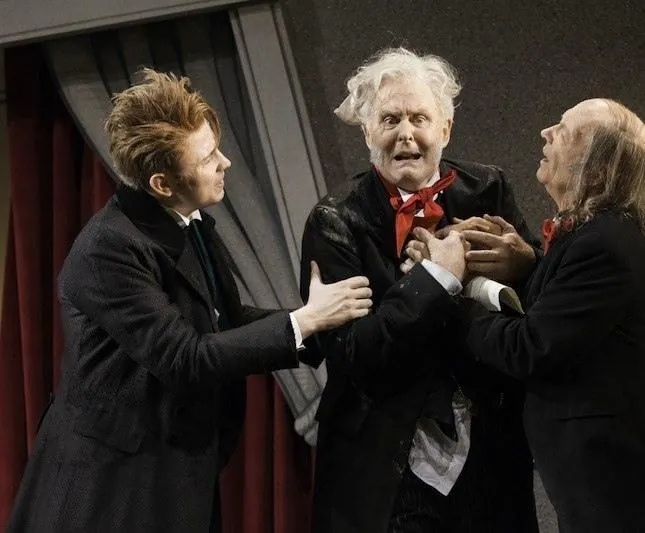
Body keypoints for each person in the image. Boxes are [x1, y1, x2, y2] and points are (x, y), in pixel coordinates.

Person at [6, 69, 373, 533]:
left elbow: (224, 320)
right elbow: (186, 357)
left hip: (170, 467)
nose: (225, 163)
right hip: (114, 489)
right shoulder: (108, 249)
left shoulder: (187, 218)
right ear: (163, 183)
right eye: (208, 158)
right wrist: (304, 321)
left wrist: (314, 323)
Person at [300, 47, 539, 533]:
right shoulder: (335, 221)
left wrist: (528, 262)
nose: (405, 134)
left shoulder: (488, 189)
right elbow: (353, 353)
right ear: (367, 133)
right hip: (386, 459)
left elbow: (536, 313)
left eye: (419, 118)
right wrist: (435, 280)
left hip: (491, 447)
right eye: (389, 120)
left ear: (445, 129)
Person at [452, 98, 645, 532]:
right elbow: (567, 316)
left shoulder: (605, 243)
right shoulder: (597, 236)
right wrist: (530, 268)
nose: (545, 133)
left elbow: (531, 346)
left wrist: (452, 293)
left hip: (610, 483)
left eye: (565, 130)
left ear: (596, 173)